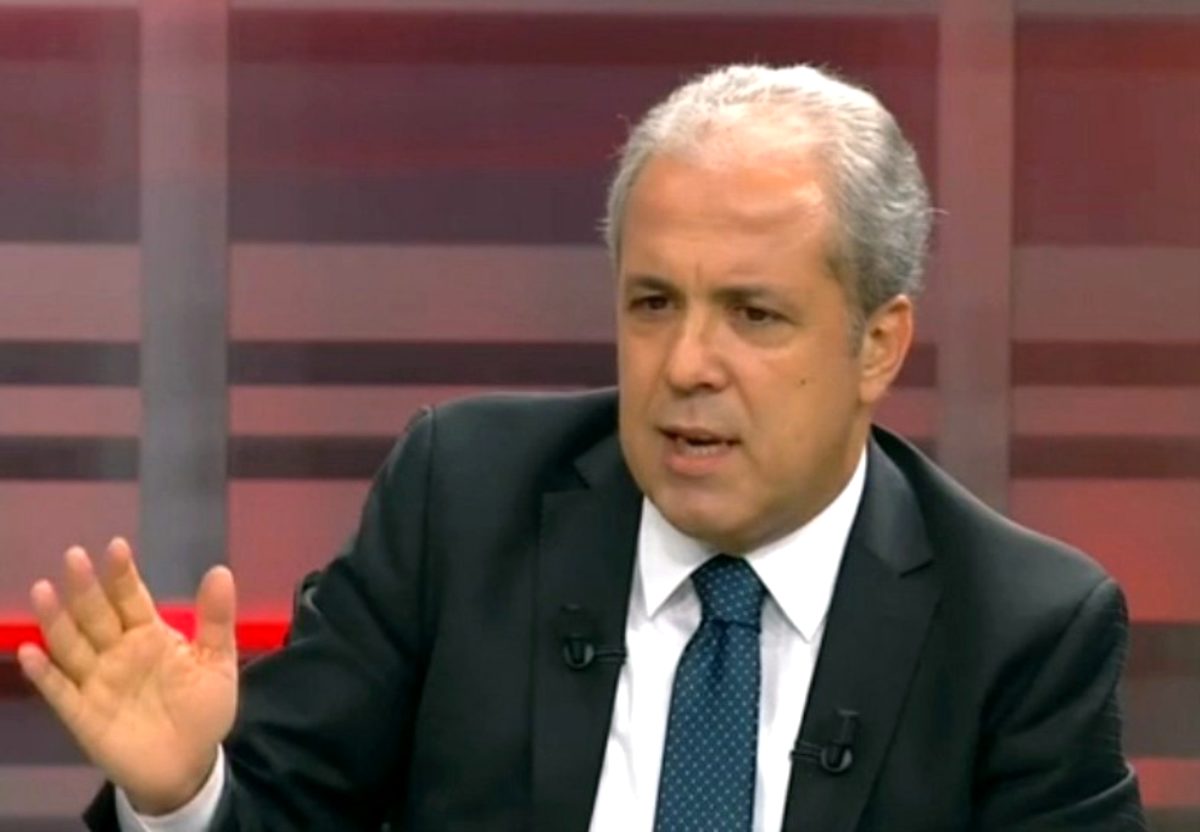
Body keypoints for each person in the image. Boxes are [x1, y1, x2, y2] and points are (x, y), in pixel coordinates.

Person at [19, 64, 1145, 831]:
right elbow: (281, 809)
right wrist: (182, 797)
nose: (687, 363)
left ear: (877, 345)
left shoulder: (1021, 629)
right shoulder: (464, 500)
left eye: (753, 314)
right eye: (654, 303)